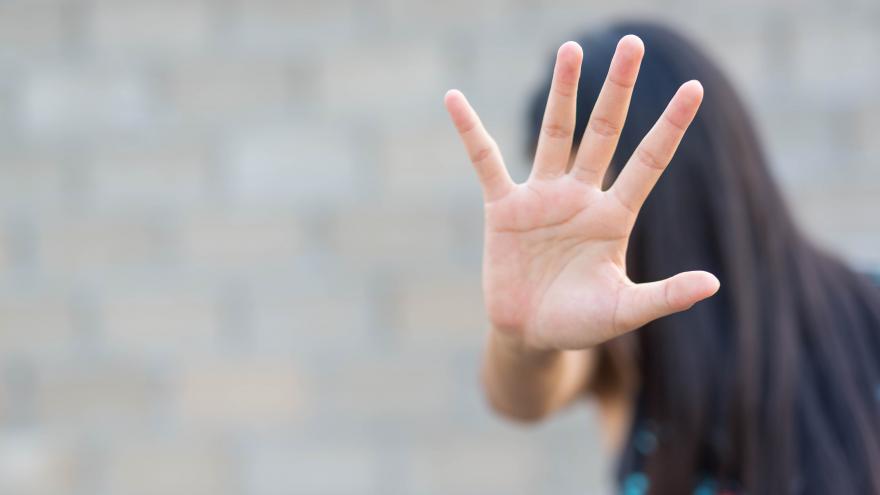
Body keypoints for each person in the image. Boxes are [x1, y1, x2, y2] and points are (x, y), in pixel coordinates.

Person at [444, 22, 880, 495]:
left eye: (588, 178)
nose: (567, 224)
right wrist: (521, 338)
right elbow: (522, 398)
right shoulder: (622, 346)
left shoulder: (866, 312)